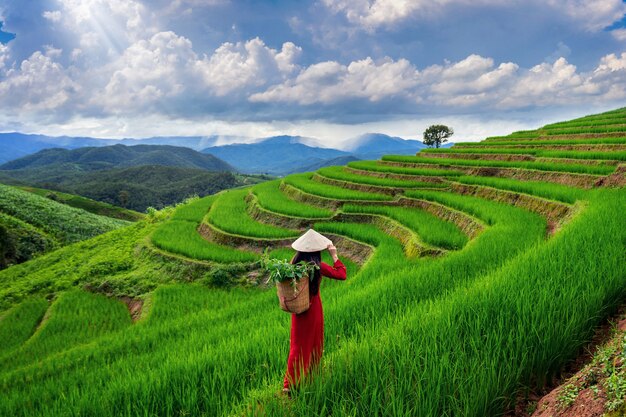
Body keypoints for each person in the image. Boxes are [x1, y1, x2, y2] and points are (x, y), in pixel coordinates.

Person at [283, 229, 347, 395]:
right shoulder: (318, 266)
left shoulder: (293, 265)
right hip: (314, 310)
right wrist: (334, 255)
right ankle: (310, 377)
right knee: (314, 343)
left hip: (299, 312)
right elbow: (342, 274)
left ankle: (288, 384)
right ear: (317, 251)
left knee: (297, 345)